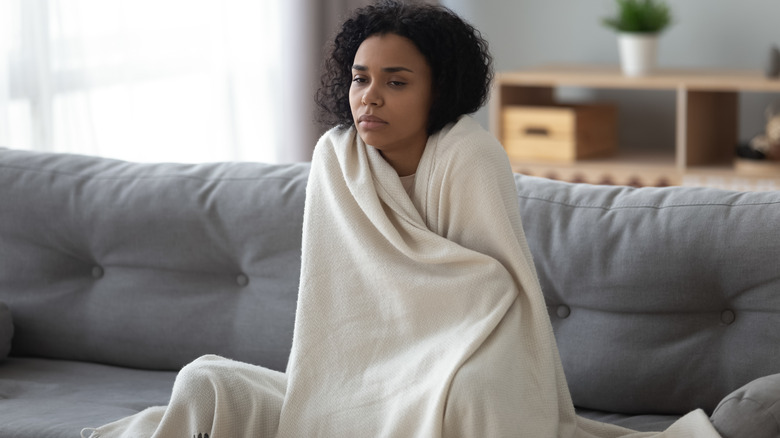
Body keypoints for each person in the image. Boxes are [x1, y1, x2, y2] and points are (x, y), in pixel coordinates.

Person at [85, 1, 722, 437]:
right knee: (206, 382)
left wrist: (443, 336)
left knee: (470, 397)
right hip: (362, 368)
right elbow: (339, 303)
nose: (370, 97)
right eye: (361, 79)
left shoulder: (470, 155)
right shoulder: (337, 158)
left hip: (477, 347)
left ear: (437, 89)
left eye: (396, 81)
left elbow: (498, 288)